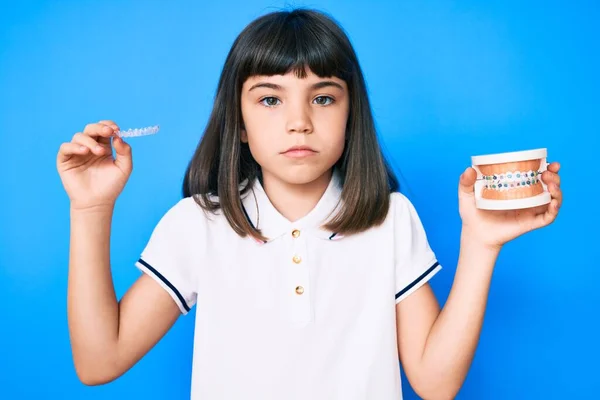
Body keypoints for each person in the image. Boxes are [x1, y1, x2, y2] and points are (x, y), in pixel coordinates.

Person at [56, 8, 563, 400]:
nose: (299, 120)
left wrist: (479, 244)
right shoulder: (197, 225)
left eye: (323, 97)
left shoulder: (390, 221)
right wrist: (90, 210)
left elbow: (435, 383)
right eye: (270, 99)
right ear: (240, 123)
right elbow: (99, 362)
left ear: (350, 114)